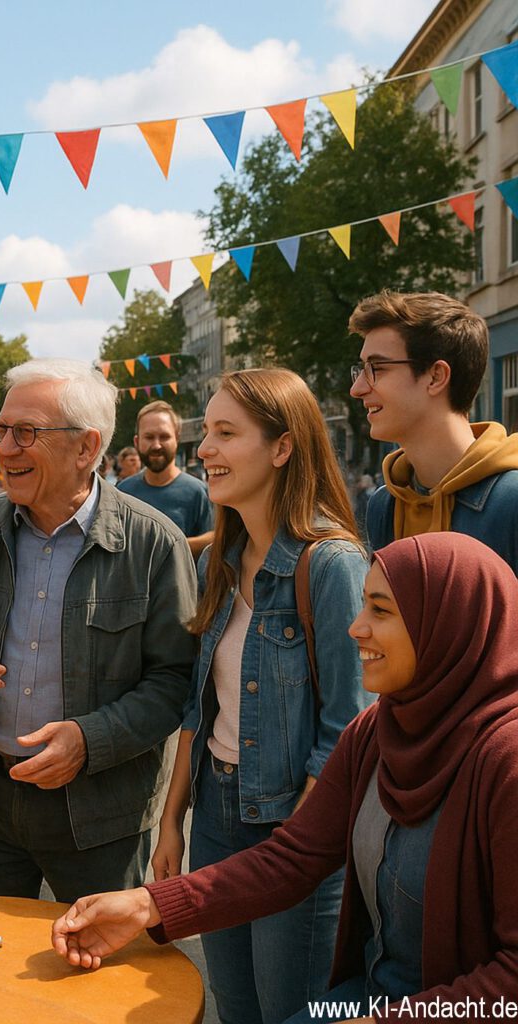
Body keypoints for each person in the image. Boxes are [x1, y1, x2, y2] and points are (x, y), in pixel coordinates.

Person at [53, 533, 518, 1024]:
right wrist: (148, 905)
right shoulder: (376, 732)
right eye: (363, 607)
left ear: (447, 626)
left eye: (381, 611)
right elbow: (291, 859)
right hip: (373, 997)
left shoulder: (504, 763)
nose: (356, 628)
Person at [0, 358, 197, 904]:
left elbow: (176, 683)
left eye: (26, 432)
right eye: (0, 429)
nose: (4, 448)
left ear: (85, 447)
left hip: (102, 816)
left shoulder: (153, 543)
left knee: (97, 976)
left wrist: (89, 740)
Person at [150, 368, 371, 1024]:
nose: (204, 450)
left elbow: (345, 731)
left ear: (282, 447)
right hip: (215, 816)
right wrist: (172, 823)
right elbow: (200, 708)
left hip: (294, 826)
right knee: (234, 1007)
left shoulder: (332, 564)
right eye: (206, 433)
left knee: (287, 1011)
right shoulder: (217, 559)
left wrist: (294, 852)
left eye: (225, 433)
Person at [348, 290, 518, 569]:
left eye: (376, 368)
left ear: (436, 376)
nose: (357, 389)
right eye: (361, 369)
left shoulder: (511, 503)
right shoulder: (385, 504)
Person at [117, 401, 214, 557]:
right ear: (136, 442)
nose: (156, 445)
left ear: (177, 438)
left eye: (164, 437)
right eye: (149, 437)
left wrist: (165, 547)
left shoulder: (198, 492)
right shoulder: (122, 493)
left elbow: (213, 540)